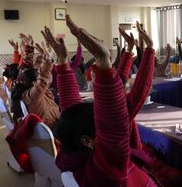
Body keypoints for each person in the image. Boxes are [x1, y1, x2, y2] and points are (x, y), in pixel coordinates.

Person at [43, 15, 157, 187]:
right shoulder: (107, 168)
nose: (103, 119)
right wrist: (104, 62)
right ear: (88, 141)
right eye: (100, 126)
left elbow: (71, 109)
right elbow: (113, 126)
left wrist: (62, 60)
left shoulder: (73, 155)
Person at [11, 32, 60, 129]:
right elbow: (42, 79)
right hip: (52, 128)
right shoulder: (34, 95)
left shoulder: (27, 87)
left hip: (52, 122)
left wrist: (40, 53)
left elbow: (30, 67)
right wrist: (48, 59)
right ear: (34, 83)